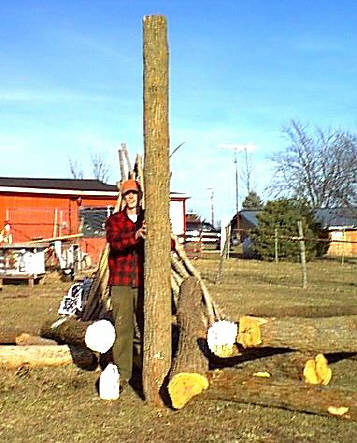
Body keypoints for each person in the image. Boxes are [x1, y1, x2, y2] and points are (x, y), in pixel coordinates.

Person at [105, 178, 146, 393]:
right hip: (121, 283)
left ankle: (144, 369)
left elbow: (167, 243)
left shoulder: (150, 218)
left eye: (134, 193)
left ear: (140, 196)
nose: (131, 197)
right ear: (123, 197)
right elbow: (116, 243)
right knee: (123, 329)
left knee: (145, 327)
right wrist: (136, 235)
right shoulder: (114, 220)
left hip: (142, 282)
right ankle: (123, 374)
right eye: (127, 194)